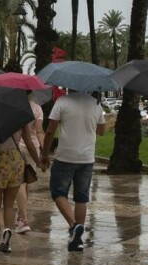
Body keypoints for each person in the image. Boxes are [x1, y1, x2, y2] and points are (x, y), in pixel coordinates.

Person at [40, 90, 105, 252]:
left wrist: (44, 154)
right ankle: (77, 239)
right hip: (87, 158)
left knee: (58, 191)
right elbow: (102, 131)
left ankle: (74, 226)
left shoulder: (62, 101)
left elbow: (49, 130)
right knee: (81, 197)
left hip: (65, 156)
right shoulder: (95, 104)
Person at [0, 115, 41, 253]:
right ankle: (7, 239)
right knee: (9, 205)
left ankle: (3, 229)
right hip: (16, 161)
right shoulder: (19, 118)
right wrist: (39, 162)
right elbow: (29, 143)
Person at [13, 93, 44, 233]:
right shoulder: (37, 108)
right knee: (27, 180)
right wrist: (44, 151)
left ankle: (23, 218)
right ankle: (21, 214)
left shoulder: (15, 106)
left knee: (20, 182)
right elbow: (39, 131)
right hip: (34, 147)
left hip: (18, 145)